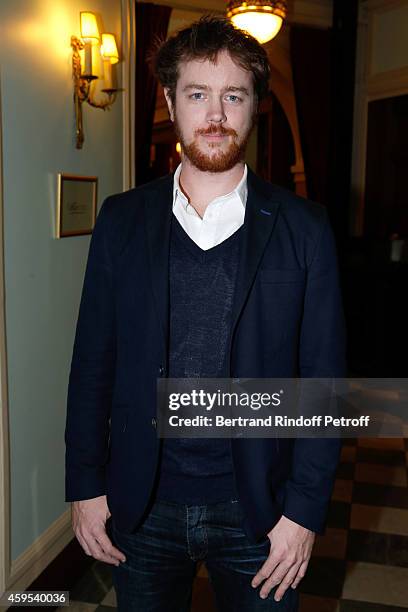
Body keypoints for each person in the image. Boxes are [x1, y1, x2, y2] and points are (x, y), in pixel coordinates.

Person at [65, 15, 346, 612]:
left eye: (233, 95)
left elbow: (325, 386)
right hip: (142, 505)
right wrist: (85, 483)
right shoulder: (121, 221)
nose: (215, 114)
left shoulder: (305, 228)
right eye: (197, 94)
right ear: (170, 101)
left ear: (252, 107)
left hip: (261, 511)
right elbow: (93, 361)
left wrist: (303, 511)